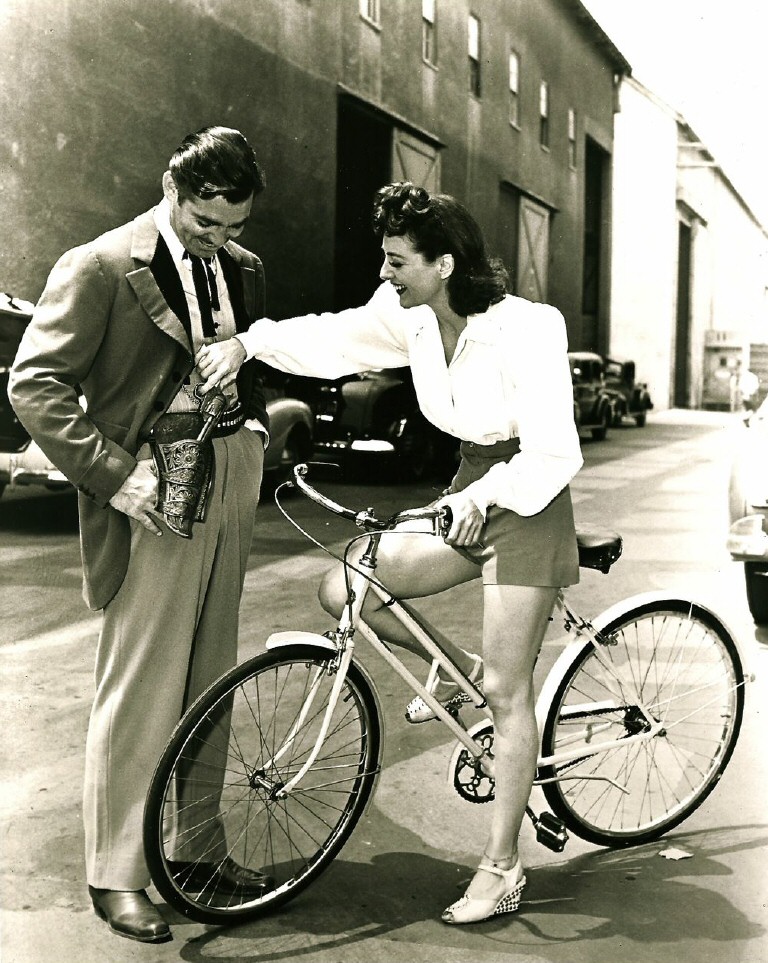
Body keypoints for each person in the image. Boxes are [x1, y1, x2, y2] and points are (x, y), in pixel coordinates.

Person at [196, 181, 583, 925]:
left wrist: (482, 499)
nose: (385, 273)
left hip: (526, 500)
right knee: (348, 583)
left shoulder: (528, 327)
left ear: (443, 262)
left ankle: (501, 867)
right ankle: (464, 669)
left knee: (510, 695)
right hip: (466, 485)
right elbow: (330, 336)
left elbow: (555, 451)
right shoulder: (407, 319)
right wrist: (249, 341)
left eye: (397, 260)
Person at [9, 126, 273, 943]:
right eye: (205, 223)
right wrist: (116, 477)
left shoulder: (245, 269)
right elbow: (34, 384)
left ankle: (193, 850)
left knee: (208, 678)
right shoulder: (96, 265)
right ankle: (116, 873)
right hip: (149, 488)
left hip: (228, 477)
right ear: (171, 187)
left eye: (233, 227)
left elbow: (251, 361)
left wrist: (255, 432)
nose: (220, 241)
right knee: (141, 687)